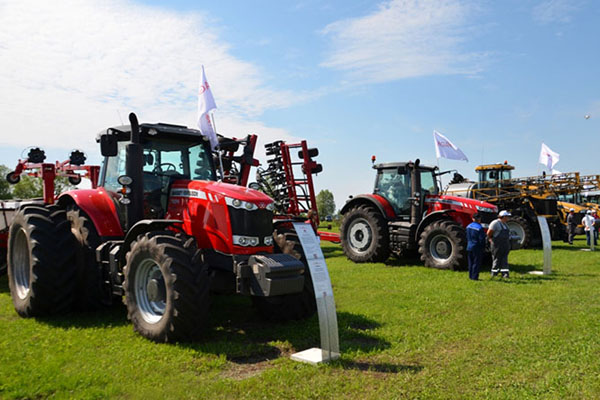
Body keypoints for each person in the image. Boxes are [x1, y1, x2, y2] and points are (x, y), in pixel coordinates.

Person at [487, 210, 512, 278]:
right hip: (497, 245)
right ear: (503, 217)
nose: (508, 218)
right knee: (496, 258)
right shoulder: (495, 223)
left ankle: (505, 273)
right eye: (507, 217)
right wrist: (490, 239)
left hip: (505, 245)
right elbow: (489, 232)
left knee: (504, 259)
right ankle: (494, 273)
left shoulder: (505, 224)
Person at [466, 213, 486, 280]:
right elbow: (482, 239)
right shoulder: (479, 228)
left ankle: (470, 276)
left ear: (473, 219)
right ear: (479, 219)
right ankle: (474, 277)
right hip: (477, 247)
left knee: (470, 262)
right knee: (476, 262)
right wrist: (484, 247)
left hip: (469, 246)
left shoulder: (468, 226)